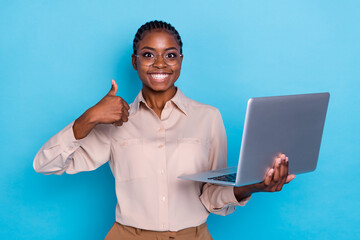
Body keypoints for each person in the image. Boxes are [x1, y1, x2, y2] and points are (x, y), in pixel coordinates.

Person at [33, 20, 296, 240]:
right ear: (135, 62)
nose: (160, 63)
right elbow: (46, 165)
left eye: (170, 55)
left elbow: (212, 196)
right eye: (148, 54)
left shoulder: (208, 117)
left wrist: (254, 186)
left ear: (180, 61)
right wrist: (87, 119)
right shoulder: (114, 121)